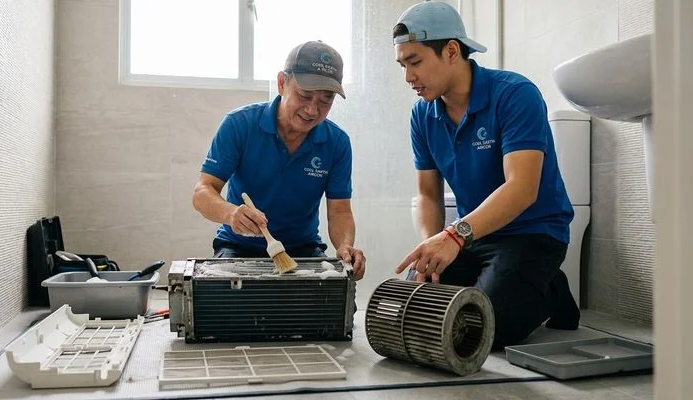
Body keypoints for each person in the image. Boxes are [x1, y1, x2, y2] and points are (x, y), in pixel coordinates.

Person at [391, 1, 580, 348]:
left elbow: (523, 189)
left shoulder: (513, 94)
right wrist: (432, 252)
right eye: (403, 65)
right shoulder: (422, 115)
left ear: (451, 51)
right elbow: (429, 195)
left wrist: (453, 236)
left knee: (482, 331)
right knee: (416, 311)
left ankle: (552, 289)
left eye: (415, 62)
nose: (408, 77)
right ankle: (505, 282)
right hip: (476, 236)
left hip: (532, 233)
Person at [192, 40, 366, 280]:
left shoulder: (337, 143)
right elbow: (202, 192)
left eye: (326, 99)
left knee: (333, 308)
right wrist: (231, 213)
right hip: (238, 246)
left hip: (302, 248)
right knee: (228, 310)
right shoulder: (239, 125)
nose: (312, 110)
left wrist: (345, 246)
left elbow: (340, 212)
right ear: (282, 83)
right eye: (304, 95)